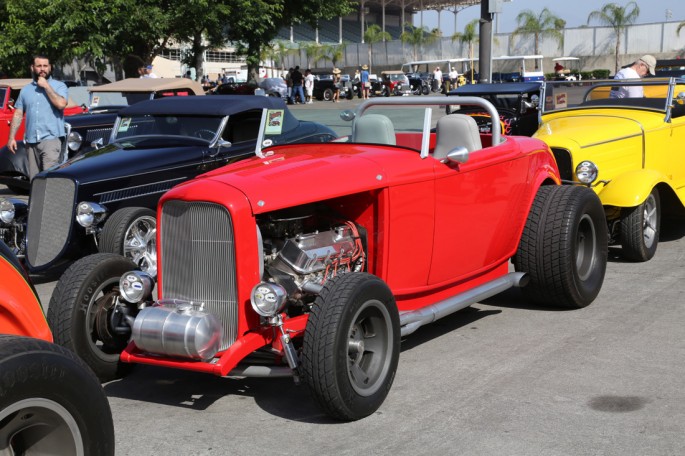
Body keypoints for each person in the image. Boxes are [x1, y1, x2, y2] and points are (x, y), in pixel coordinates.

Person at [7, 55, 68, 179]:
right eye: (39, 66)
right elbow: (18, 113)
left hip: (51, 140)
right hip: (31, 142)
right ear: (32, 67)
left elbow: (61, 104)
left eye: (45, 66)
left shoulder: (59, 86)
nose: (42, 69)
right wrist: (11, 137)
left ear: (50, 67)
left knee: (49, 179)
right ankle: (37, 199)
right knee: (35, 180)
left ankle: (51, 200)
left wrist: (46, 86)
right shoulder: (25, 90)